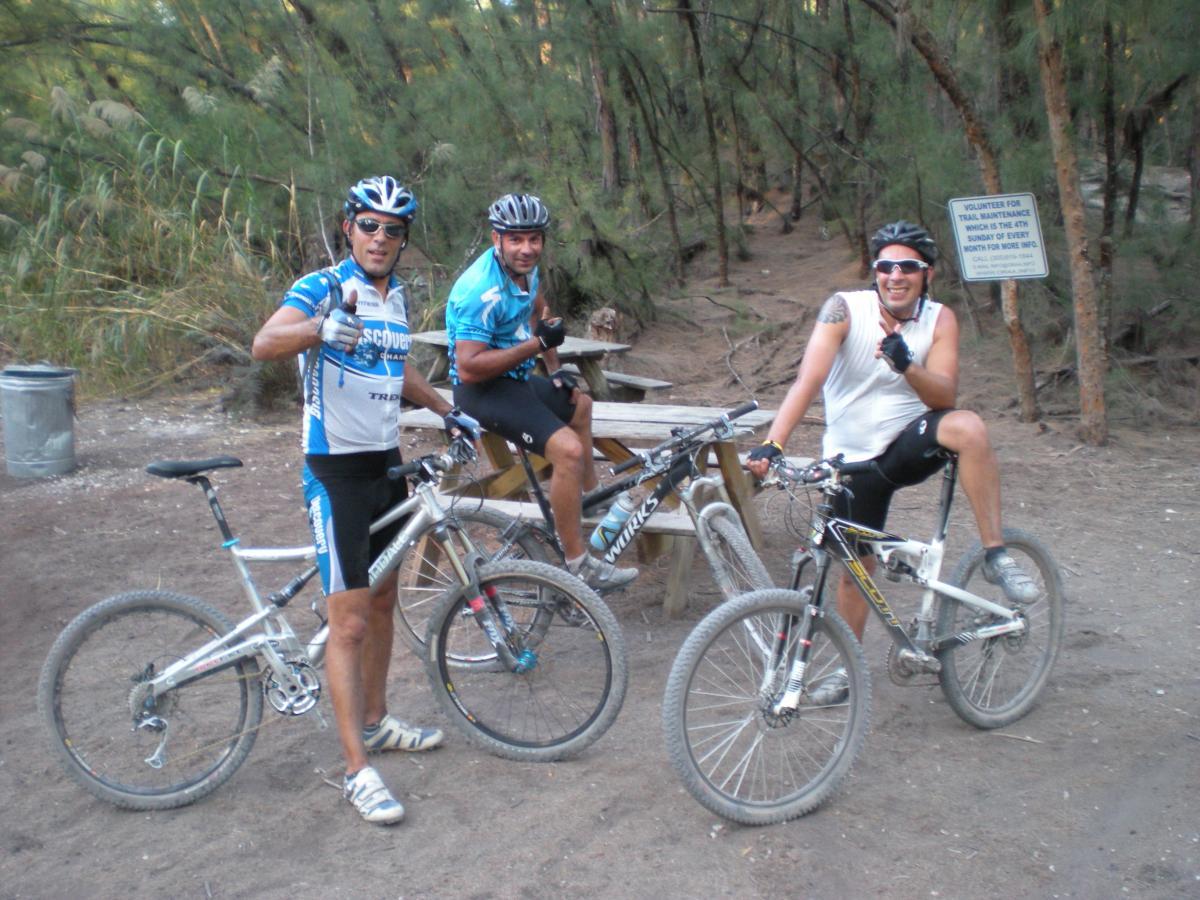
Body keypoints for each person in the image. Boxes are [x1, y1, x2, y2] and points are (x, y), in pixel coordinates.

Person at [747, 220, 1038, 700]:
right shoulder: (844, 309)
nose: (895, 275)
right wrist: (773, 443)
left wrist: (906, 365)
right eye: (885, 266)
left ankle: (995, 553)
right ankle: (848, 670)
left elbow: (945, 394)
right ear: (875, 272)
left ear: (927, 274)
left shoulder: (939, 319)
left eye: (908, 267)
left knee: (968, 426)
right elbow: (808, 380)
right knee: (853, 568)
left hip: (908, 444)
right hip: (852, 462)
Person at [252, 176, 462, 826]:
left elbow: (396, 368)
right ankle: (356, 771)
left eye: (393, 230)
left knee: (385, 600)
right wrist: (321, 328)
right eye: (369, 225)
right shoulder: (323, 286)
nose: (380, 238)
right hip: (334, 475)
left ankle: (374, 722)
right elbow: (264, 343)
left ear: (403, 241)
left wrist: (448, 410)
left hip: (382, 467)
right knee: (347, 622)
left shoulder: (394, 297)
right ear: (349, 228)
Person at [445, 193, 636, 591]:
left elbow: (539, 310)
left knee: (578, 404)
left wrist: (555, 369)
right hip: (479, 391)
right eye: (516, 240)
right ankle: (577, 564)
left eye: (534, 239)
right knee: (567, 450)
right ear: (496, 238)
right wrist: (535, 347)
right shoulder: (479, 291)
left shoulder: (525, 271)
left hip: (513, 380)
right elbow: (469, 365)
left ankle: (588, 498)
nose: (527, 248)